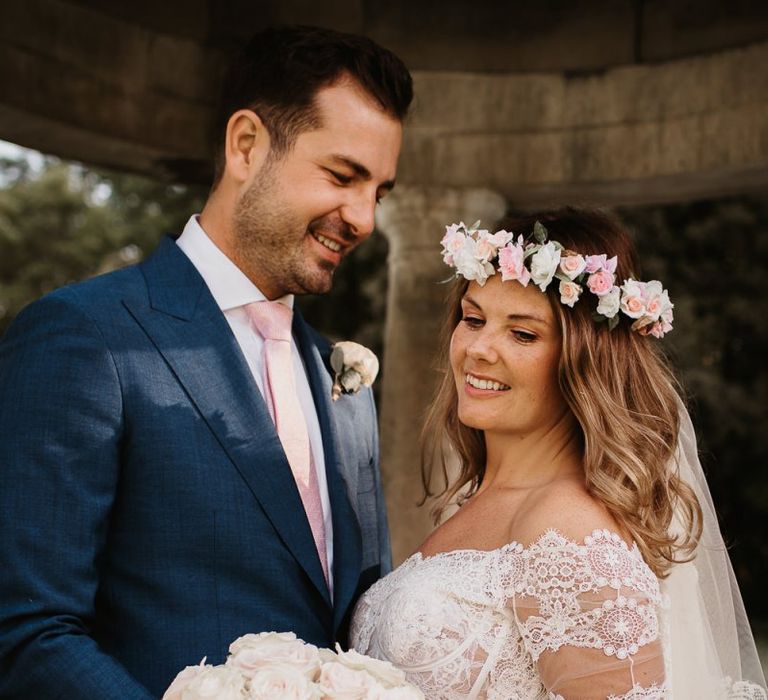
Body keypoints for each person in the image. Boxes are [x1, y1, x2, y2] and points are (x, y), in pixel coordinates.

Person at [0, 25, 412, 698]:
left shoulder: (346, 380)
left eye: (381, 192)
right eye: (343, 176)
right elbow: (26, 630)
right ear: (246, 145)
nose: (364, 217)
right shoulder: (85, 336)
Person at [350, 209, 767, 699]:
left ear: (585, 361)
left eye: (523, 333)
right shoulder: (482, 501)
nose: (479, 348)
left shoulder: (567, 530)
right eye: (473, 319)